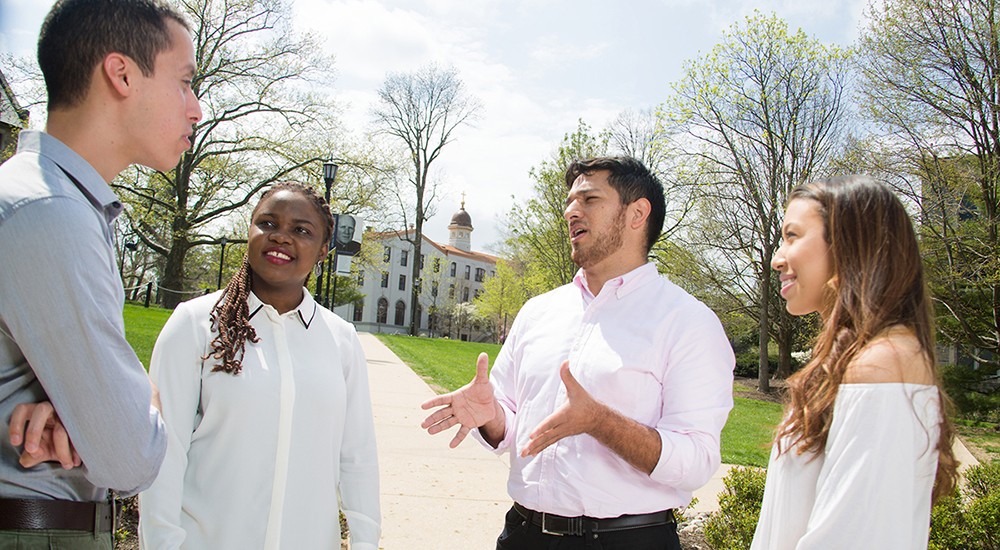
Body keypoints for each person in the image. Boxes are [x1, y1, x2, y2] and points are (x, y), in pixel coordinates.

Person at [421, 156, 735, 549]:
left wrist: (599, 422)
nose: (571, 211)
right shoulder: (539, 311)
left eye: (589, 199)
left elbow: (696, 460)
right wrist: (493, 417)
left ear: (637, 213)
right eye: (570, 201)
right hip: (523, 534)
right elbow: (513, 430)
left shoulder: (689, 322)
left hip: (628, 540)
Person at [0, 0, 201, 546]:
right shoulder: (48, 213)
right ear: (121, 74)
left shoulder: (50, 203)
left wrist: (88, 414)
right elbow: (131, 456)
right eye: (184, 82)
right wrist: (124, 412)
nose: (196, 108)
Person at [139, 182, 380, 549]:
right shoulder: (195, 323)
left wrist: (365, 542)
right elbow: (164, 454)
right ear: (249, 232)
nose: (281, 237)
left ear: (323, 251)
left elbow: (357, 458)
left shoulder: (341, 341)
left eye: (301, 230)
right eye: (267, 224)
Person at [751, 176, 959, 549]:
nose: (777, 259)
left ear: (849, 245)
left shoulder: (884, 365)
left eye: (793, 236)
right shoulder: (860, 359)